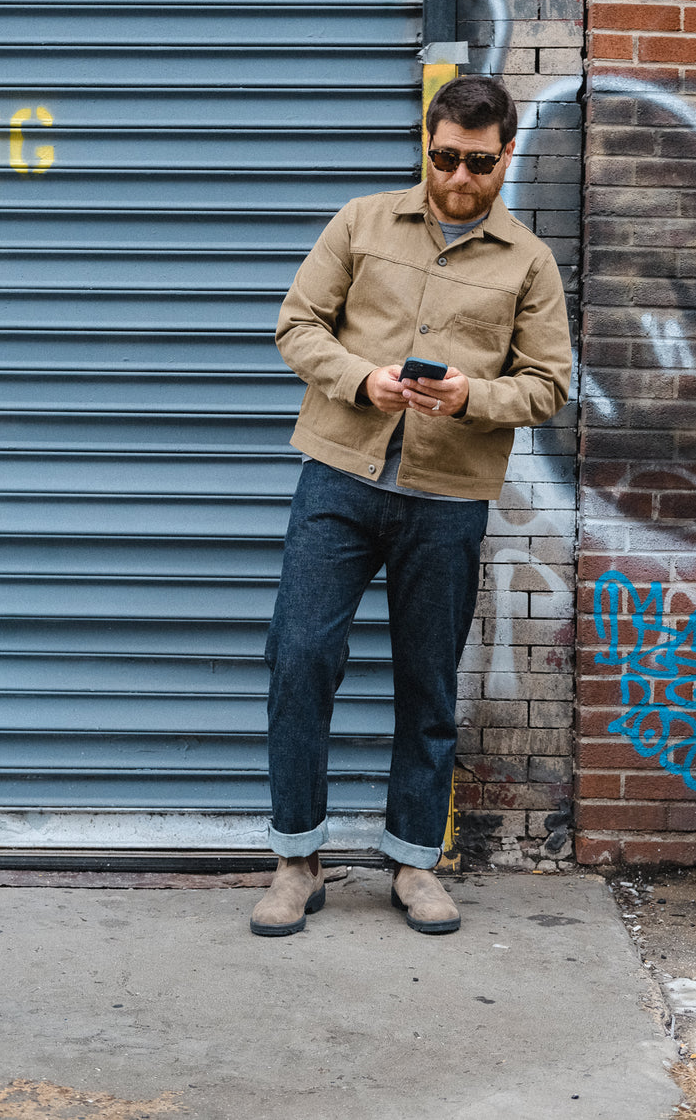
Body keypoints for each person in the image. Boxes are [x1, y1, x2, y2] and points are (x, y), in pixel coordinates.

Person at [250, 74, 571, 937]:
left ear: (506, 155)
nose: (458, 178)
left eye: (477, 162)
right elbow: (296, 324)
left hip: (448, 497)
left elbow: (548, 387)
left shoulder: (528, 263)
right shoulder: (360, 221)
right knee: (299, 659)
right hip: (339, 477)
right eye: (443, 158)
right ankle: (297, 860)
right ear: (425, 146)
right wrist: (364, 381)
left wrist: (470, 395)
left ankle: (413, 862)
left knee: (428, 683)